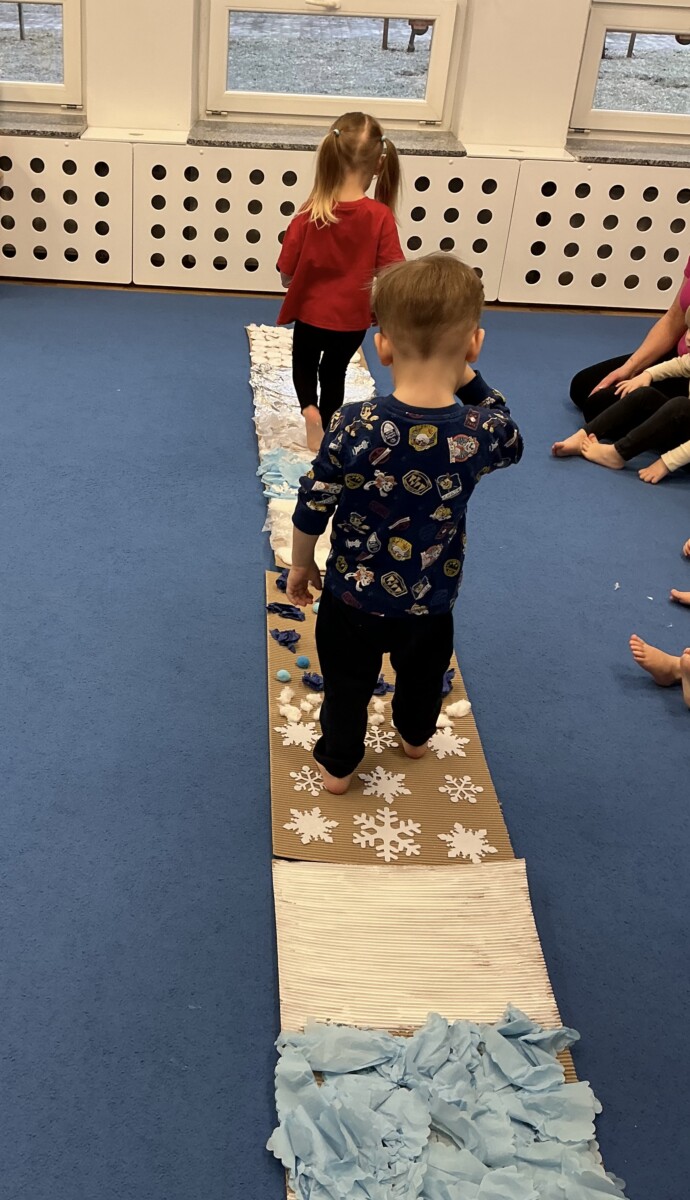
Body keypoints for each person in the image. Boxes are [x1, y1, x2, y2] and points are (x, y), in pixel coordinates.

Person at [285, 254, 523, 793]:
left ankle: (338, 766)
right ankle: (415, 737)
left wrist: (301, 566)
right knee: (423, 678)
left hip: (351, 598)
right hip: (432, 599)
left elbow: (313, 502)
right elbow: (511, 434)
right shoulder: (481, 430)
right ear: (474, 345)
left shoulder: (352, 423)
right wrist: (470, 378)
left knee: (346, 685)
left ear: (383, 346)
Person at [277, 112, 404, 454]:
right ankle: (329, 423)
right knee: (334, 371)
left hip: (310, 314)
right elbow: (393, 275)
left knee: (304, 363)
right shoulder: (379, 216)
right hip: (351, 320)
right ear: (379, 164)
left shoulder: (309, 212)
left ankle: (309, 411)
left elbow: (286, 274)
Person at [569, 253, 690, 425]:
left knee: (597, 407)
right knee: (582, 386)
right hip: (679, 357)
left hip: (686, 372)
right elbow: (673, 320)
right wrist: (631, 368)